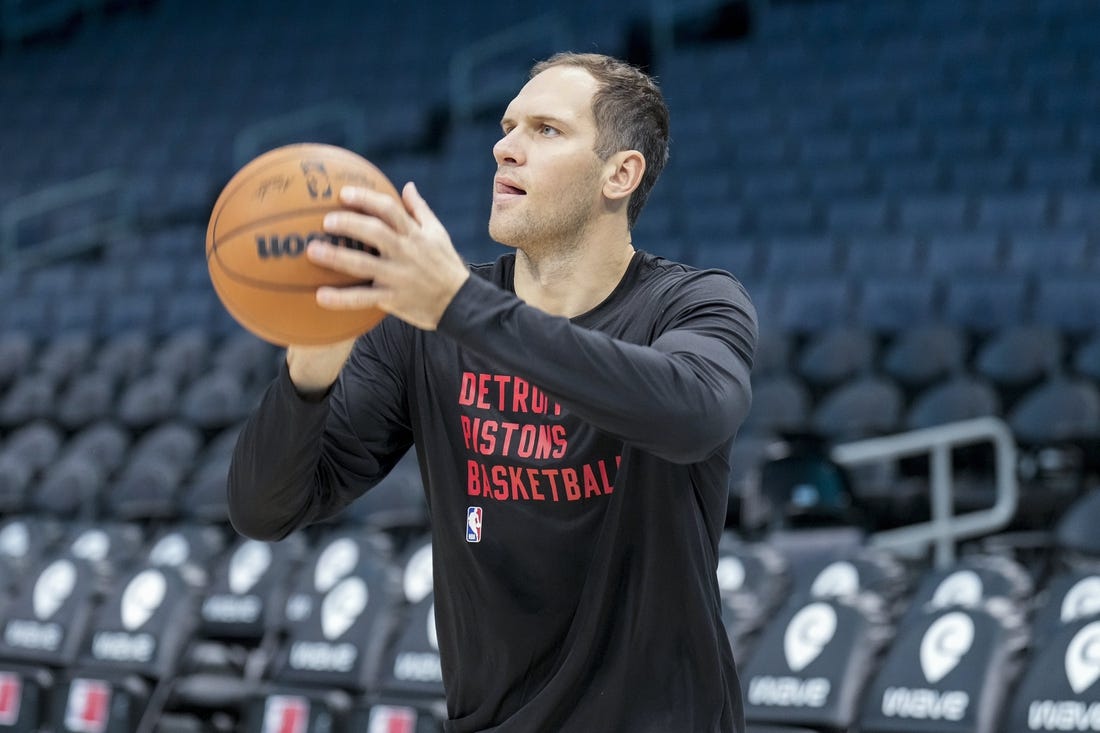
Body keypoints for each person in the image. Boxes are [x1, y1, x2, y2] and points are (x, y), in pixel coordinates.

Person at [228, 51, 757, 732]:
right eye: (508, 126)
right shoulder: (424, 326)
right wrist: (309, 372)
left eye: (545, 130)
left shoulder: (695, 304)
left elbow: (692, 413)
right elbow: (263, 509)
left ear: (619, 174)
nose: (504, 147)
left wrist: (458, 304)